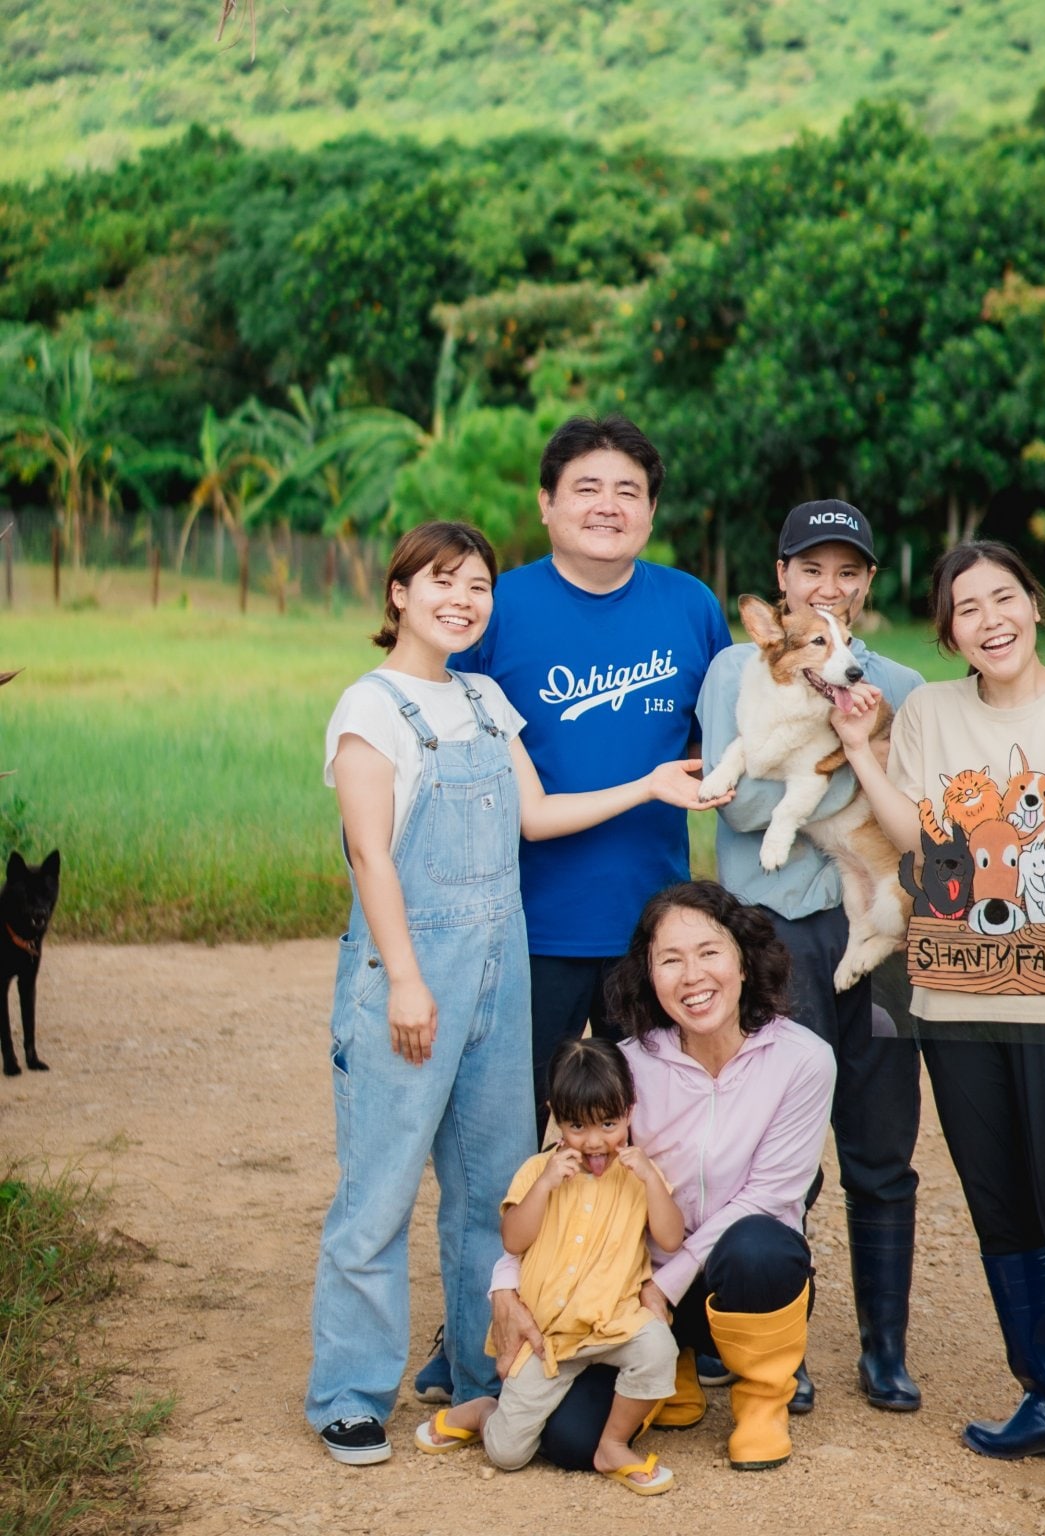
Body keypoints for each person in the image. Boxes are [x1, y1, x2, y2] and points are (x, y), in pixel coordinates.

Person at [307, 522, 727, 1466]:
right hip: (408, 974)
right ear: (399, 595)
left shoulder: (487, 699)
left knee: (486, 1192)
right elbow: (371, 855)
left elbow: (536, 817)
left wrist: (650, 785)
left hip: (504, 963)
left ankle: (480, 1373)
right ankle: (348, 1393)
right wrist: (411, 983)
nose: (462, 600)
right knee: (376, 1195)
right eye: (441, 583)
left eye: (479, 587)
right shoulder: (369, 710)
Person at [829, 540, 1045, 1530]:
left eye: (1002, 597)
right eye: (965, 608)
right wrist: (856, 750)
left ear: (1036, 606)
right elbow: (917, 836)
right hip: (955, 997)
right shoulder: (930, 712)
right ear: (948, 633)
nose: (988, 618)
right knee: (1002, 1210)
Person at [412, 414, 731, 1406]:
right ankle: (488, 1317)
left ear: (651, 511)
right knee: (515, 1140)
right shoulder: (494, 607)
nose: (608, 505)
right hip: (528, 924)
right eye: (586, 487)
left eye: (629, 490)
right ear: (547, 504)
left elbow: (742, 727)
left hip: (652, 936)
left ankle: (663, 1318)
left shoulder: (689, 608)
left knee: (656, 1134)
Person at [697, 500, 926, 1413]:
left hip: (882, 936)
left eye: (848, 571)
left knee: (882, 1144)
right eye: (810, 569)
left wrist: (852, 745)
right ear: (782, 582)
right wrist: (835, 746)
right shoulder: (734, 672)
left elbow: (918, 817)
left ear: (867, 585)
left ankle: (886, 1350)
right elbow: (739, 806)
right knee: (778, 1148)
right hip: (776, 932)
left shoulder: (900, 683)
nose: (829, 585)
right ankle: (775, 1349)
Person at [487, 881, 836, 1475]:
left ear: (744, 961)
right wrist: (505, 1285)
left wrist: (666, 1286)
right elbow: (559, 1173)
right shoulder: (628, 1063)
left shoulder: (802, 1060)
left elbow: (768, 1197)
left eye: (709, 952)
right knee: (571, 1443)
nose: (692, 976)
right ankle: (671, 1370)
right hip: (629, 1294)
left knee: (761, 1244)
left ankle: (762, 1401)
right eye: (670, 960)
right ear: (648, 976)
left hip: (727, 1276)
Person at [414, 1038, 684, 1496]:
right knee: (507, 1454)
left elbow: (671, 1237)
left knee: (658, 1348)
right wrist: (543, 1187)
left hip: (613, 1324)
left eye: (609, 1123)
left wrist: (651, 1182)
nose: (594, 1140)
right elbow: (513, 1240)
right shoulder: (538, 1172)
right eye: (577, 1125)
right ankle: (482, 1412)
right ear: (555, 1115)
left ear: (631, 1111)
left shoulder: (642, 1175)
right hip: (547, 1339)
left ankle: (614, 1444)